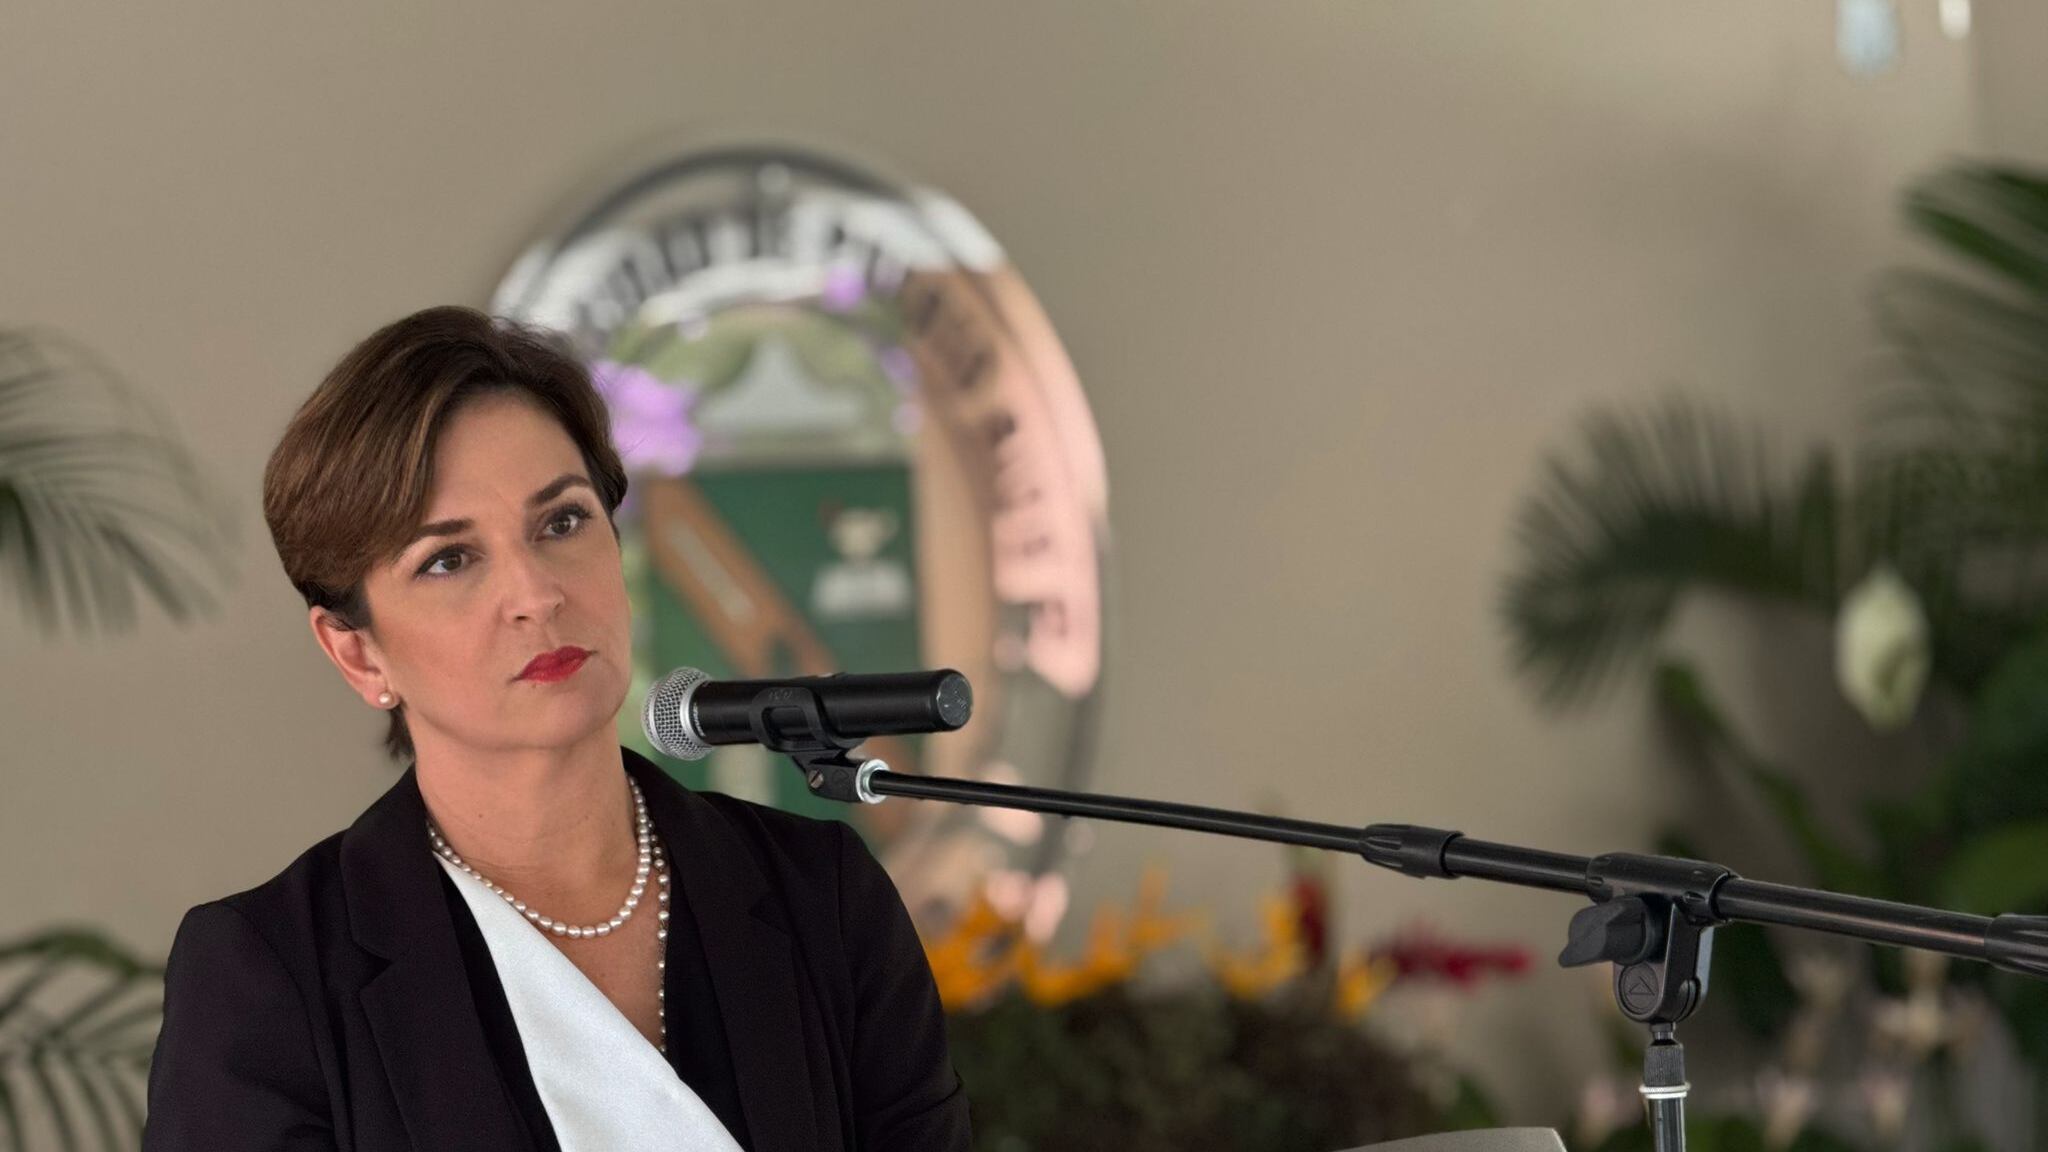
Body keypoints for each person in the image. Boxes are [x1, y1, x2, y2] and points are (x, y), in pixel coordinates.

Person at [141, 306, 971, 1151]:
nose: (537, 593)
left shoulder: (821, 898)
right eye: (449, 559)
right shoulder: (271, 976)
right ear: (357, 654)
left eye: (562, 521)